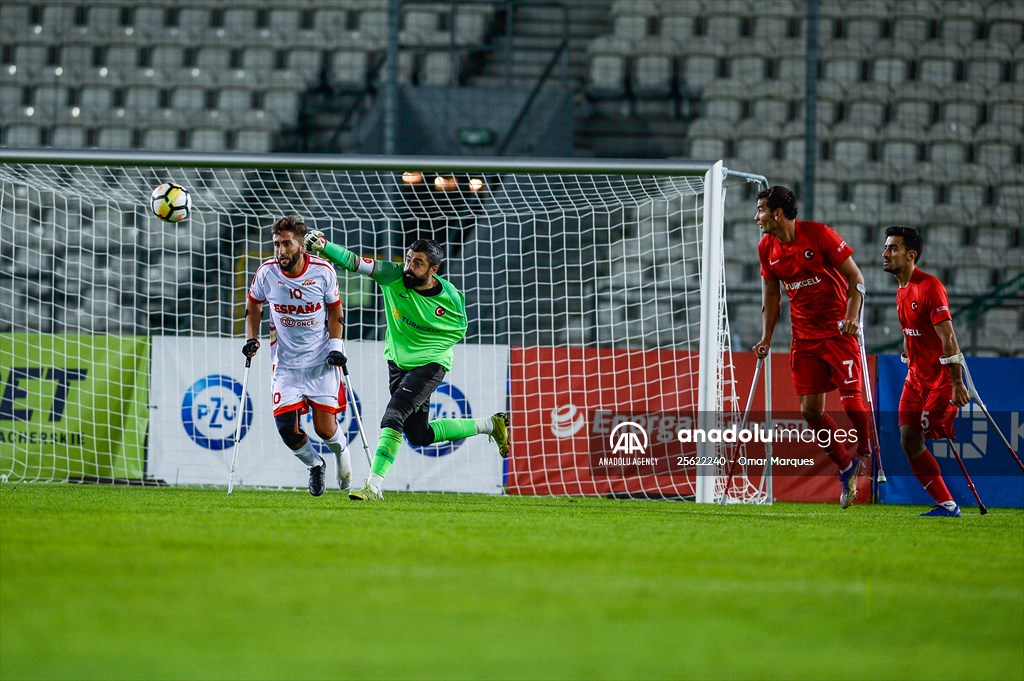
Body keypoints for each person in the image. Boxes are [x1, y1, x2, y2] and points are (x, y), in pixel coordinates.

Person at [304, 230, 510, 501]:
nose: (409, 267)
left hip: (431, 363)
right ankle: (490, 425)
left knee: (393, 417)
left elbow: (459, 330)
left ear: (434, 270)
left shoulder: (450, 298)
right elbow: (354, 262)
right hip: (398, 363)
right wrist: (325, 246)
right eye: (409, 259)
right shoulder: (392, 275)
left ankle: (373, 486)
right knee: (420, 434)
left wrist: (426, 344)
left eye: (418, 263)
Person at [753, 186, 874, 508]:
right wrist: (766, 337)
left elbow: (857, 279)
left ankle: (865, 447)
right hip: (804, 338)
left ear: (778, 213)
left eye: (761, 210)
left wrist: (852, 317)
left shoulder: (820, 235)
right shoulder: (767, 248)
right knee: (810, 411)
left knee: (850, 403)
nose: (757, 217)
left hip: (839, 332)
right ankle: (847, 467)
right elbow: (772, 296)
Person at [243, 216, 352, 497]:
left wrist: (337, 347)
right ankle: (315, 465)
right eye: (277, 244)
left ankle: (342, 452)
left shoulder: (323, 270)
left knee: (325, 430)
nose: (281, 251)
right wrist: (251, 338)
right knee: (287, 430)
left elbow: (335, 311)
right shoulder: (267, 273)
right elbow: (253, 304)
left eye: (287, 244)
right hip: (286, 365)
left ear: (301, 245)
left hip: (320, 362)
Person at [882, 225, 968, 517]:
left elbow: (949, 338)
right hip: (915, 378)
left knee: (926, 431)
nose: (885, 253)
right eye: (886, 247)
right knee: (908, 438)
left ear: (911, 255)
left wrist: (957, 382)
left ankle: (950, 503)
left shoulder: (930, 287)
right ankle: (947, 505)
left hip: (941, 379)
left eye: (893, 248)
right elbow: (911, 330)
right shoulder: (901, 290)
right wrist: (909, 350)